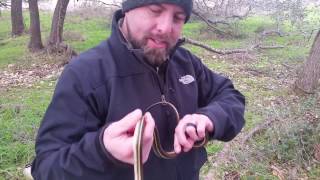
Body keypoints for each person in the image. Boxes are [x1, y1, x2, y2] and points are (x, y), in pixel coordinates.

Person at [31, 0, 245, 179]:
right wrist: (102, 150)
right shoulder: (85, 74)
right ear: (128, 8)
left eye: (178, 17)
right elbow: (47, 166)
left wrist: (209, 118)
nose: (165, 28)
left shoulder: (186, 63)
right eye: (155, 10)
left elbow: (230, 97)